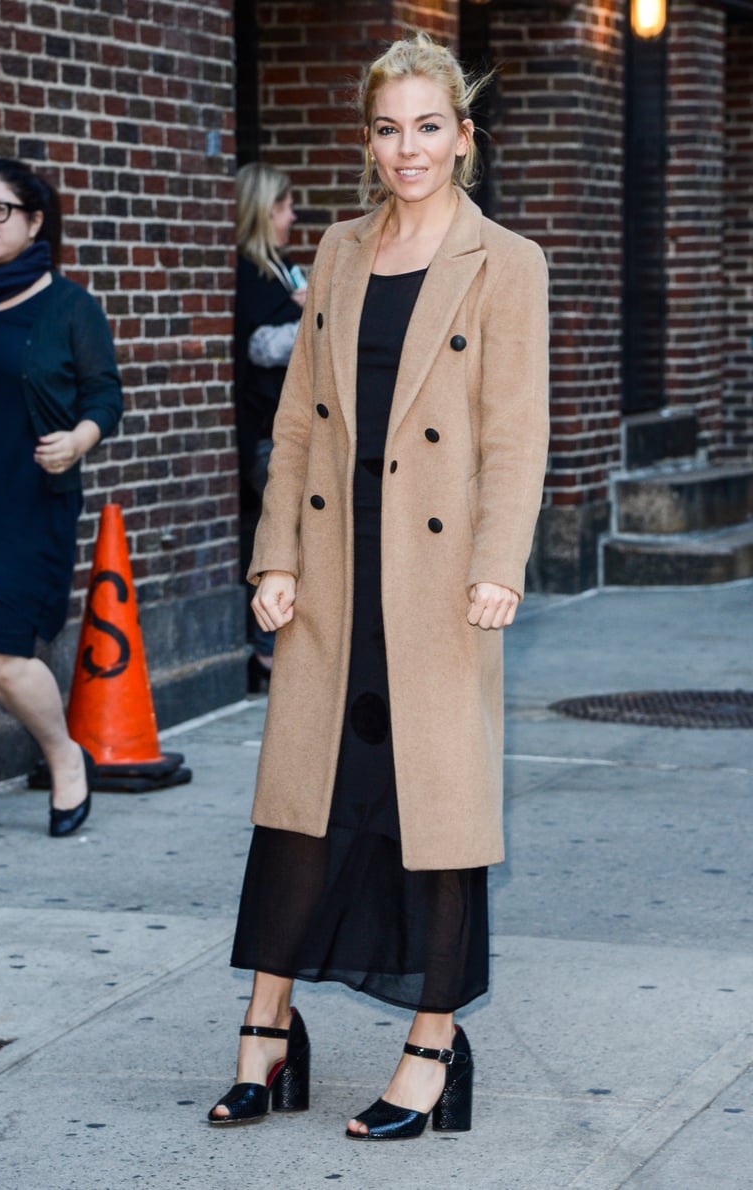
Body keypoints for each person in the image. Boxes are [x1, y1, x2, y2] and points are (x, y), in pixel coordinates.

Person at [209, 32, 549, 1140]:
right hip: (332, 564)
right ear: (371, 139)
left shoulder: (506, 260)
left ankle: (431, 1046)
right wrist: (274, 555)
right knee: (300, 799)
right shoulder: (345, 251)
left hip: (440, 577)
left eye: (430, 126)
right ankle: (268, 1026)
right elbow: (303, 419)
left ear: (463, 134)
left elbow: (514, 435)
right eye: (390, 128)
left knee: (432, 809)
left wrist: (500, 563)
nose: (410, 148)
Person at [0, 158, 123, 837]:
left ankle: (64, 755)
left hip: (27, 499)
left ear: (35, 220)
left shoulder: (69, 306)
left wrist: (79, 439)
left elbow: (105, 396)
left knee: (1, 653)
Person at [233, 162, 307, 691]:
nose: (292, 216)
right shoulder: (251, 275)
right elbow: (260, 346)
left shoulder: (285, 269)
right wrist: (315, 318)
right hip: (266, 433)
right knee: (283, 534)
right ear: (262, 211)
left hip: (290, 429)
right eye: (283, 207)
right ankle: (265, 655)